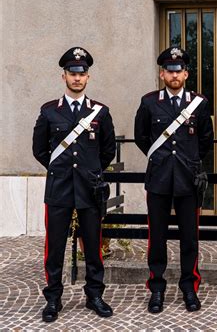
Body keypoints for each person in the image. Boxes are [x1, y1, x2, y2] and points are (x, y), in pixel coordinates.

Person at [32, 47, 116, 322]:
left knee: (93, 244)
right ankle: (53, 298)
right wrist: (59, 171)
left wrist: (90, 172)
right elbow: (40, 150)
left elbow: (107, 151)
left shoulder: (100, 113)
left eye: (82, 74)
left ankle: (94, 295)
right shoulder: (49, 111)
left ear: (88, 77)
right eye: (72, 73)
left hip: (89, 189)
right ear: (64, 76)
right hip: (59, 189)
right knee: (54, 246)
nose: (77, 78)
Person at [134, 47, 213, 313]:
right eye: (169, 70)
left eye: (179, 71)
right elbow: (141, 137)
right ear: (162, 74)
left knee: (189, 238)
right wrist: (161, 160)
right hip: (158, 179)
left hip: (188, 182)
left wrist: (189, 161)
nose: (174, 75)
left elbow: (204, 140)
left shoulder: (199, 104)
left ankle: (189, 287)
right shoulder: (149, 102)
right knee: (157, 238)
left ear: (186, 74)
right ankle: (157, 289)